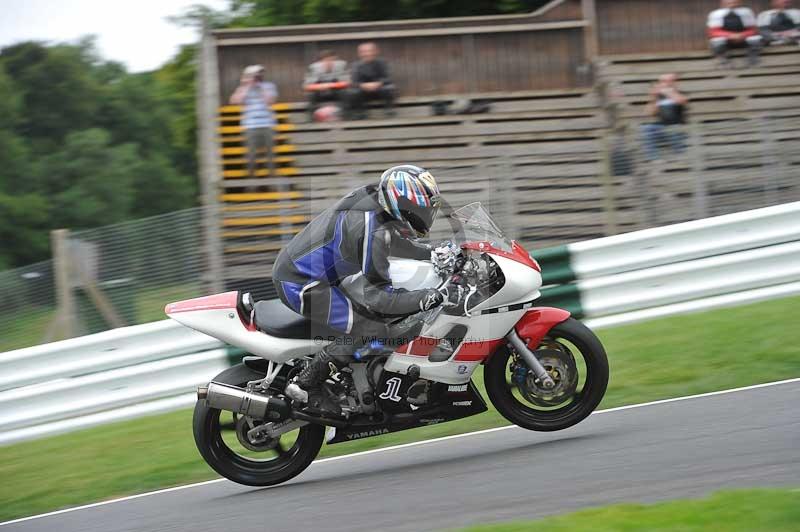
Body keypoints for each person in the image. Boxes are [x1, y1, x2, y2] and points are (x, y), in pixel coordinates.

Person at [272, 165, 452, 414]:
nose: (425, 215)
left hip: (316, 275)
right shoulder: (371, 227)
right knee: (370, 327)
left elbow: (391, 241)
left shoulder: (376, 203)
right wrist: (425, 297)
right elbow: (379, 297)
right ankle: (305, 384)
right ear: (403, 203)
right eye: (422, 209)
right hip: (301, 282)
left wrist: (431, 252)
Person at [229, 65, 278, 178]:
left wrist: (261, 88)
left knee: (270, 152)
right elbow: (235, 101)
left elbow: (270, 101)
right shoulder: (242, 88)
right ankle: (251, 177)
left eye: (260, 74)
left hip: (267, 123)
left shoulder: (269, 86)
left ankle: (272, 176)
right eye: (255, 74)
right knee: (251, 153)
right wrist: (246, 86)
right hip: (250, 125)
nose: (258, 76)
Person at [640, 74, 689, 162]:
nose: (664, 83)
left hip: (678, 126)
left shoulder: (681, 93)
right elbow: (649, 113)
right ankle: (654, 158)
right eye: (662, 81)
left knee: (674, 129)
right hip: (663, 127)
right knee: (646, 128)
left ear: (674, 82)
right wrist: (654, 98)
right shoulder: (659, 98)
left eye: (668, 81)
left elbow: (682, 101)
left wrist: (667, 91)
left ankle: (680, 157)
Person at [346, 42, 396, 119]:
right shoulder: (355, 65)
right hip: (363, 92)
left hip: (380, 90)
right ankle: (360, 112)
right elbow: (354, 81)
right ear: (359, 54)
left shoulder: (382, 62)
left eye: (370, 51)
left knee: (389, 87)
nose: (367, 54)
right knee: (352, 92)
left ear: (376, 51)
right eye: (364, 52)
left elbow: (388, 77)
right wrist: (363, 85)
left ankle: (389, 109)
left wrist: (378, 83)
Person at [707, 0, 764, 66]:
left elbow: (753, 29)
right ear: (722, 3)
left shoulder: (746, 12)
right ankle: (723, 61)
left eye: (734, 2)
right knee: (716, 42)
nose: (732, 4)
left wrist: (743, 35)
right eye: (729, 3)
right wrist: (729, 35)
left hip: (743, 39)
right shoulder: (716, 14)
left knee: (756, 39)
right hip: (726, 41)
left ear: (739, 2)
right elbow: (713, 32)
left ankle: (753, 60)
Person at [303, 50, 350, 121]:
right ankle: (311, 119)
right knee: (311, 95)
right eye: (326, 60)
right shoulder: (313, 68)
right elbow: (306, 86)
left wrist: (329, 85)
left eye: (332, 60)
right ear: (320, 61)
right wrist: (319, 87)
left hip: (336, 91)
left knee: (346, 93)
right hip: (319, 92)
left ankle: (346, 117)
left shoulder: (342, 65)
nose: (329, 62)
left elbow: (347, 82)